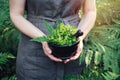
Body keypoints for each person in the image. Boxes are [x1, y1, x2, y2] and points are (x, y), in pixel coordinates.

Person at [10, 0, 96, 80]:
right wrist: (43, 39)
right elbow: (16, 14)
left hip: (73, 49)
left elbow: (90, 11)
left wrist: (79, 38)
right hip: (34, 53)